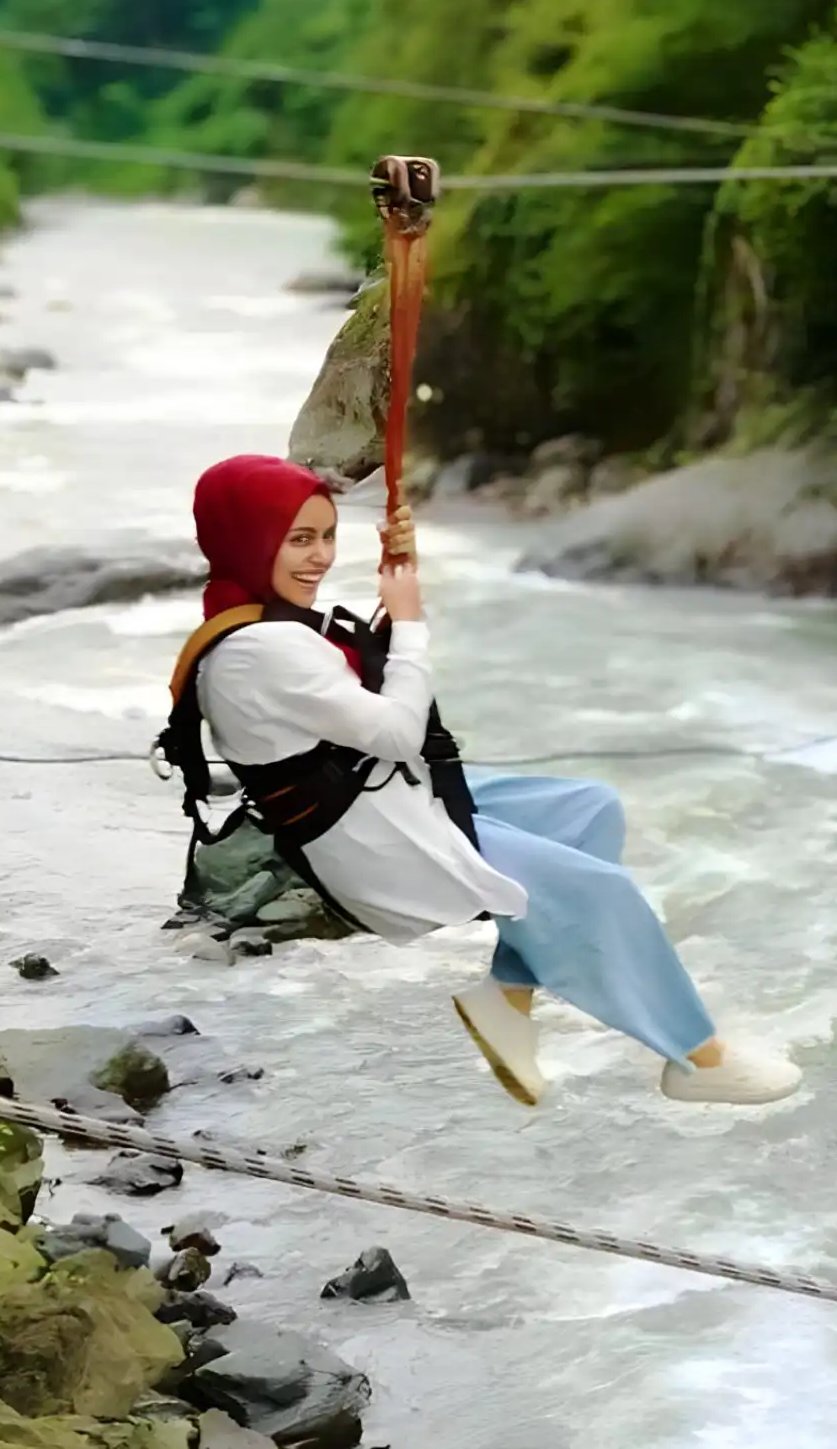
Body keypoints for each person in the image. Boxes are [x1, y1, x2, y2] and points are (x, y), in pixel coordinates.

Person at [178, 452, 799, 1108]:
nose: (320, 556)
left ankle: (506, 996)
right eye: (298, 539)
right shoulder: (257, 650)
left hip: (391, 799)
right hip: (377, 844)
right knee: (599, 891)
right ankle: (696, 1057)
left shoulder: (265, 625)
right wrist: (411, 621)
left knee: (590, 811)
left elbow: (352, 693)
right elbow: (396, 732)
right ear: (246, 539)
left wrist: (395, 585)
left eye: (328, 535)